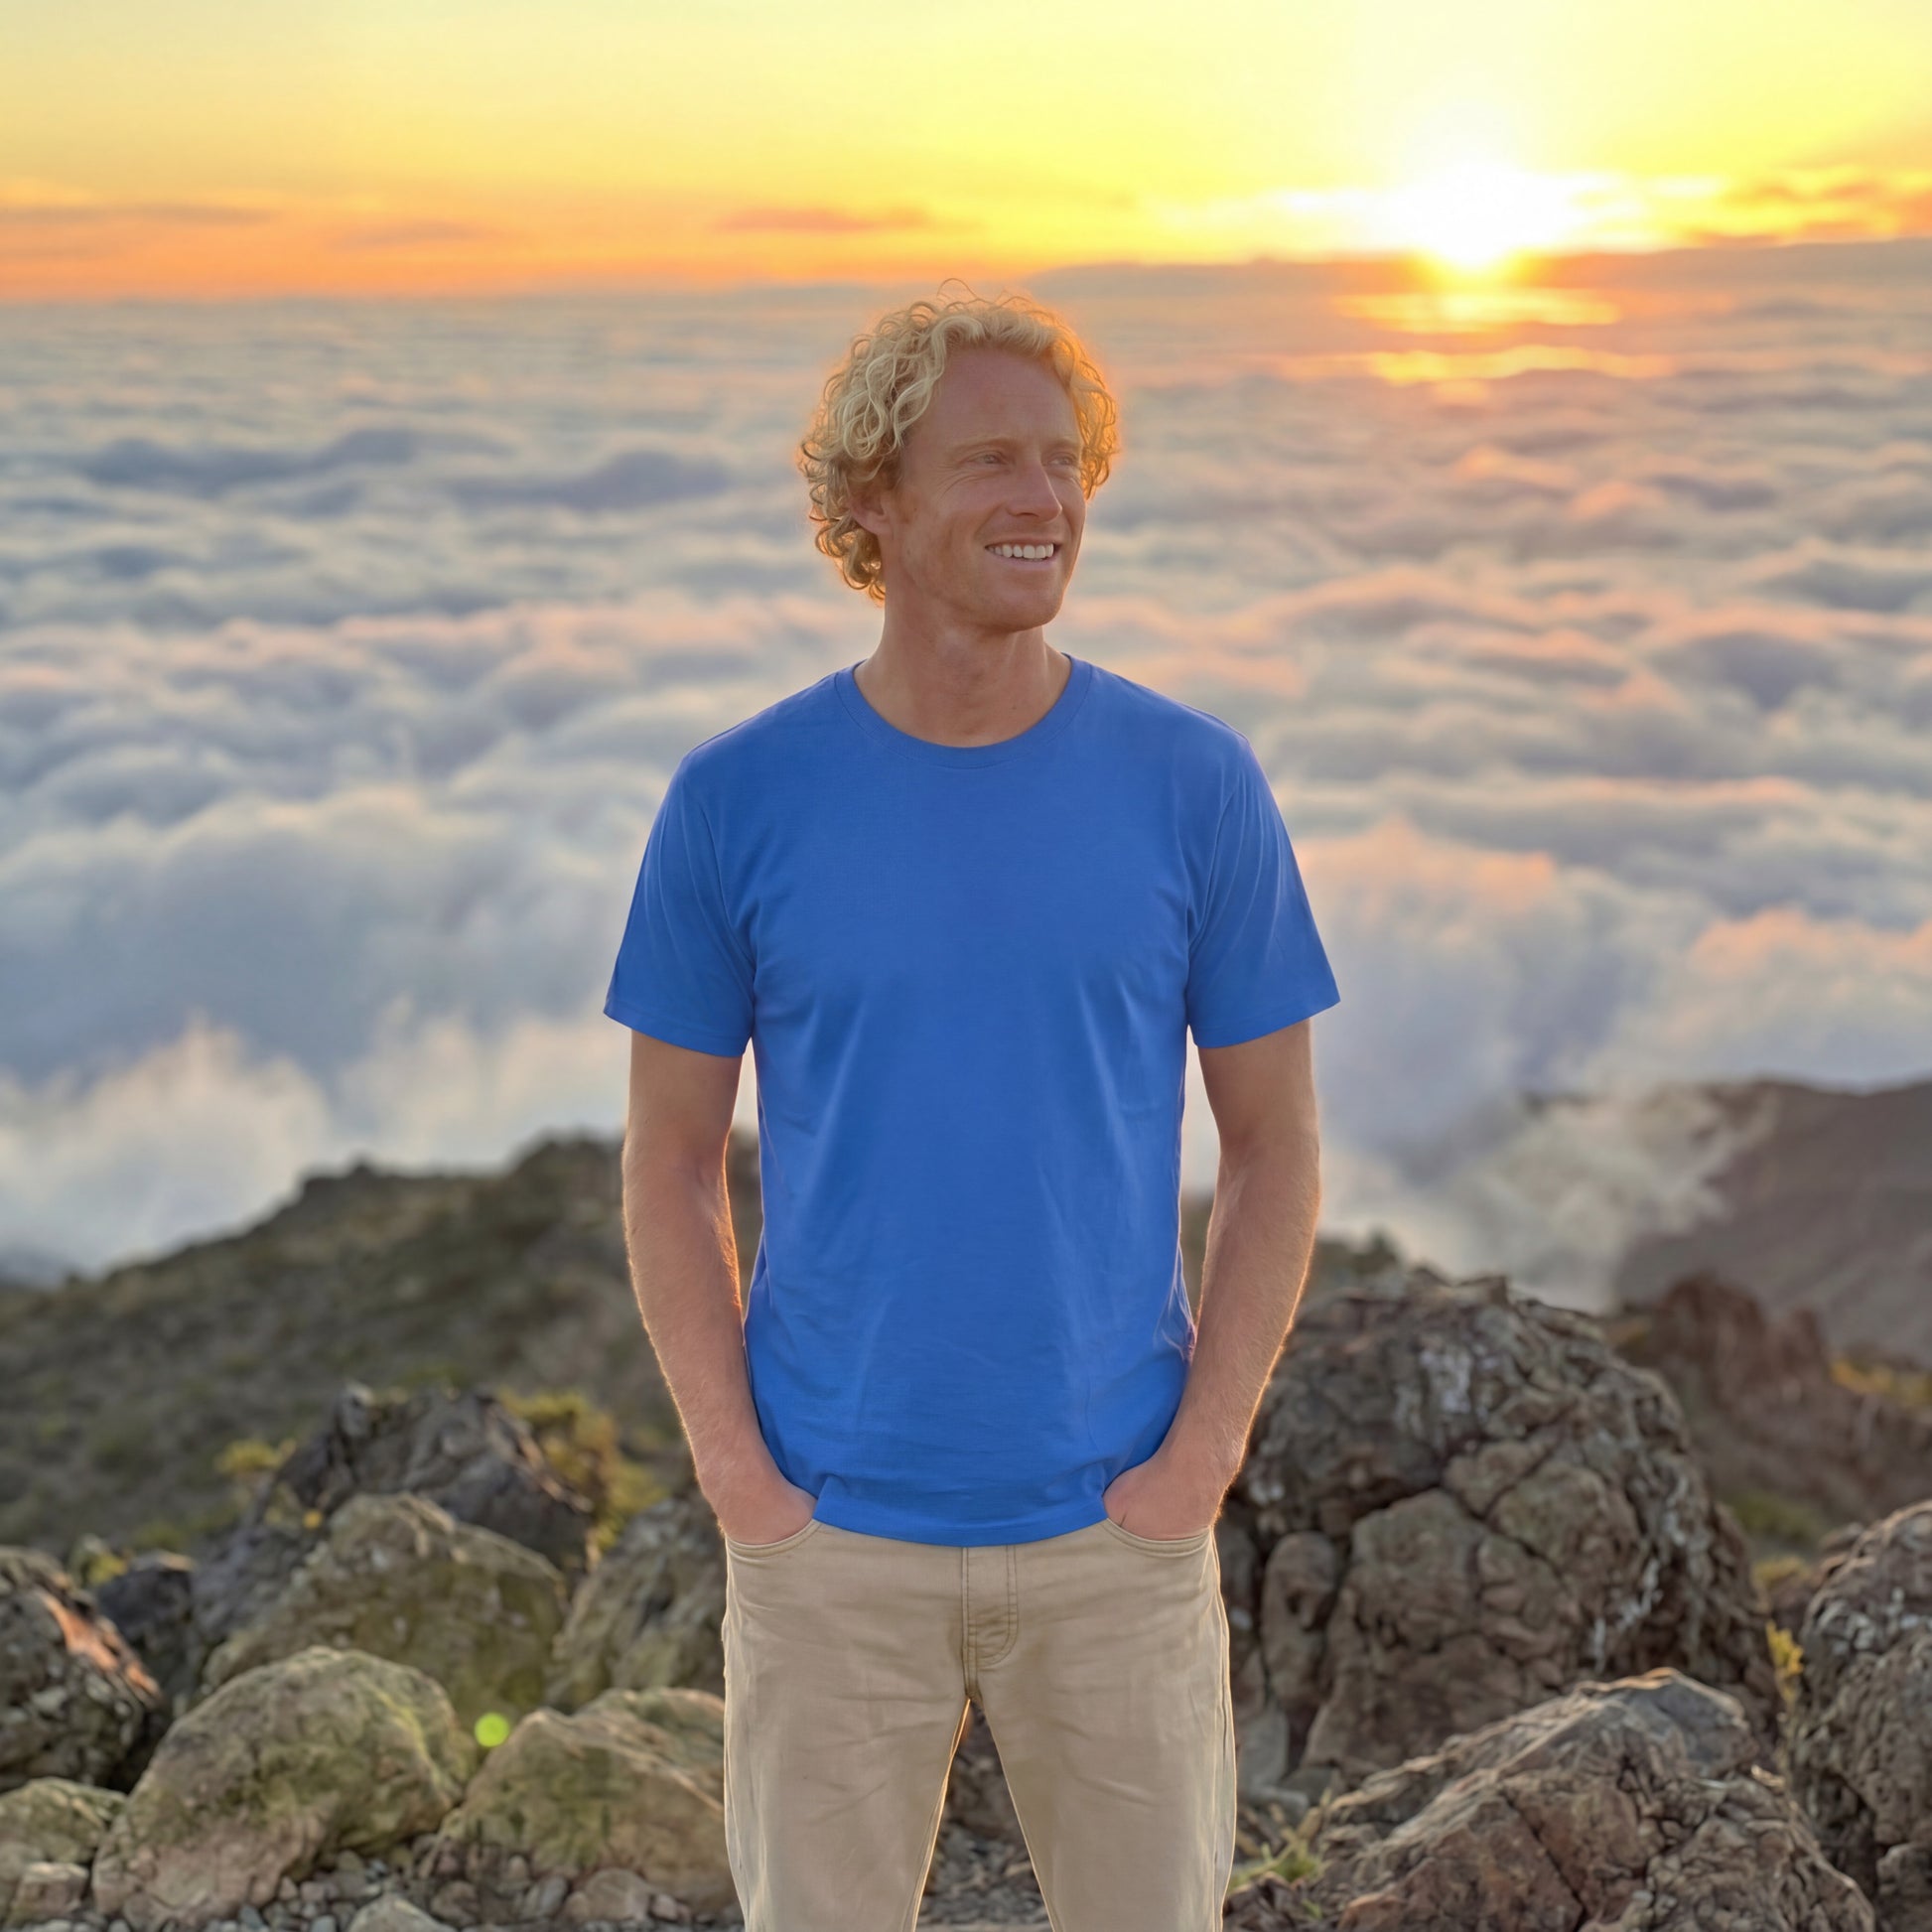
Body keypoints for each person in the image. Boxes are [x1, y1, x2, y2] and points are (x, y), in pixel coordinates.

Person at [604, 281, 1340, 1931]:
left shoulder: (1193, 785)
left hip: (1115, 1533)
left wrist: (1198, 1463)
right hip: (829, 1540)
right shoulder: (735, 800)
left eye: (1065, 460)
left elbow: (1276, 1144)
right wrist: (740, 1479)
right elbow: (667, 1163)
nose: (1045, 496)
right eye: (992, 459)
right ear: (872, 501)